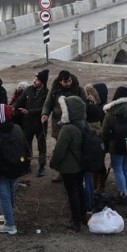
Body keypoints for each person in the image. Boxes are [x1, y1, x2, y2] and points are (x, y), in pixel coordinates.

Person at [0, 104, 29, 235]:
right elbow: (25, 147)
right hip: (15, 168)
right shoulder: (17, 129)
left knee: (4, 197)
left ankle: (10, 225)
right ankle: (9, 215)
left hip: (0, 172)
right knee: (10, 193)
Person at [49, 95, 88, 233]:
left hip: (69, 167)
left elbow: (59, 150)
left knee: (72, 193)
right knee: (79, 189)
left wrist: (53, 163)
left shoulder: (67, 129)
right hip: (82, 164)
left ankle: (75, 221)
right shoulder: (84, 124)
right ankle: (83, 216)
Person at [41, 70, 88, 182]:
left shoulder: (78, 89)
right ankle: (61, 173)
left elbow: (84, 104)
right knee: (61, 147)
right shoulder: (54, 91)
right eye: (66, 82)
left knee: (75, 147)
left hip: (74, 123)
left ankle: (77, 171)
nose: (68, 83)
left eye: (70, 80)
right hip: (59, 123)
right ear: (60, 81)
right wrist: (45, 113)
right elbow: (48, 103)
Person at [101, 86, 127, 205]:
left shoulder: (109, 114)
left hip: (116, 147)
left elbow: (104, 133)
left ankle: (122, 193)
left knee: (118, 169)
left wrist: (113, 140)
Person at [13, 70, 49, 177]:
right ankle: (27, 164)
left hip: (40, 124)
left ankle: (42, 166)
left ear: (42, 82)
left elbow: (44, 108)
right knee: (26, 145)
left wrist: (29, 112)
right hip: (27, 124)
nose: (34, 81)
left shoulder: (47, 93)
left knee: (41, 146)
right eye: (35, 78)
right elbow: (19, 100)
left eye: (37, 79)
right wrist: (13, 107)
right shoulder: (28, 90)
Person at [84, 83, 108, 210]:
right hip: (95, 139)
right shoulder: (94, 106)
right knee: (94, 162)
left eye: (92, 94)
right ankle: (94, 182)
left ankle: (101, 185)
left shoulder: (103, 108)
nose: (89, 96)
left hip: (100, 139)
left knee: (100, 163)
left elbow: (103, 125)